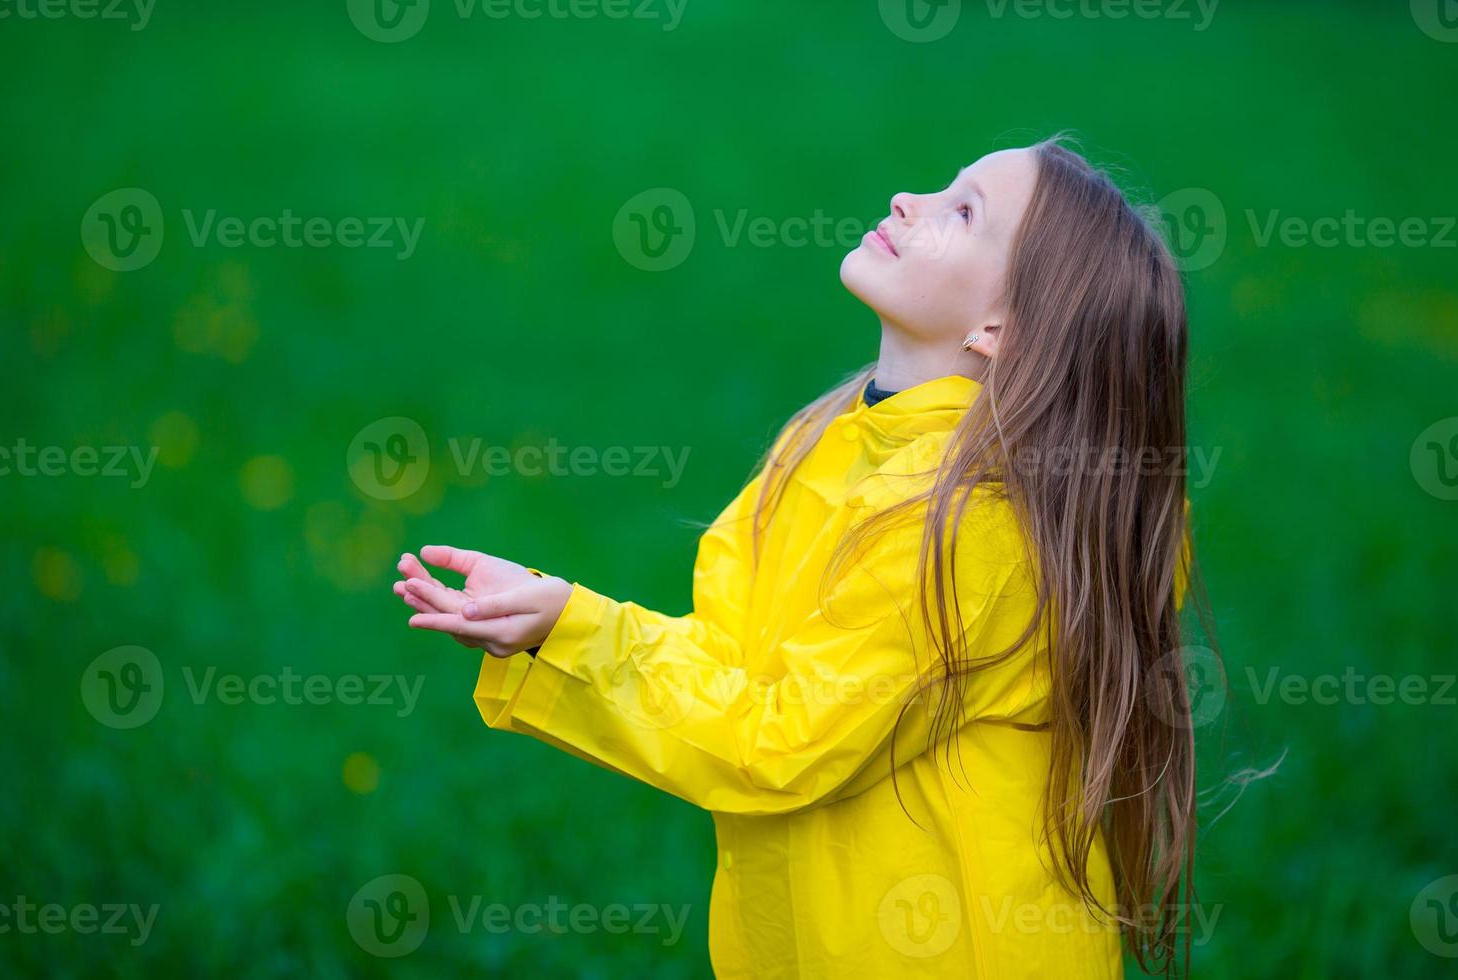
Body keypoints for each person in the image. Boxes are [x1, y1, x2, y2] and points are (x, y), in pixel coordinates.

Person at [394, 136, 1204, 978]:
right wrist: (552, 620)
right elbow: (737, 675)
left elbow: (779, 745)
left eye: (963, 213)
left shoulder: (972, 524)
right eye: (944, 186)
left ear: (1002, 328)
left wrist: (574, 632)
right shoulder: (821, 441)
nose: (906, 200)